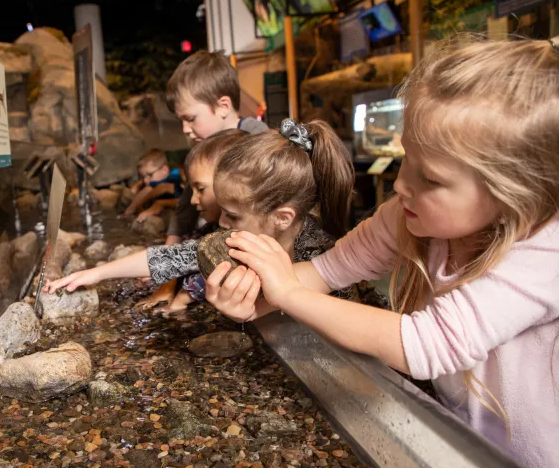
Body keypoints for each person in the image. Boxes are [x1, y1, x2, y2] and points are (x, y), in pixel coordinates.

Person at [210, 36, 559, 468]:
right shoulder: (408, 217)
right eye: (405, 160)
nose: (401, 185)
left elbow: (428, 345)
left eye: (429, 177)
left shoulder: (545, 253)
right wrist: (253, 299)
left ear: (516, 191)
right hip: (468, 454)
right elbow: (326, 271)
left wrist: (288, 293)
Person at [46, 121, 388, 314]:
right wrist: (94, 274)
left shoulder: (322, 256)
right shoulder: (237, 240)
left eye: (233, 215)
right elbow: (169, 258)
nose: (222, 224)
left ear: (282, 218)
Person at [144, 50, 269, 308]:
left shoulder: (258, 142)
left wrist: (177, 284)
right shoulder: (204, 150)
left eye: (190, 119)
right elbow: (183, 213)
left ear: (223, 106)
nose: (185, 130)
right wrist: (166, 277)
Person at [122, 149, 184, 222]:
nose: (145, 180)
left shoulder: (175, 174)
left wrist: (129, 211)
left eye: (150, 175)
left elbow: (160, 187)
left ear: (164, 170)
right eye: (142, 177)